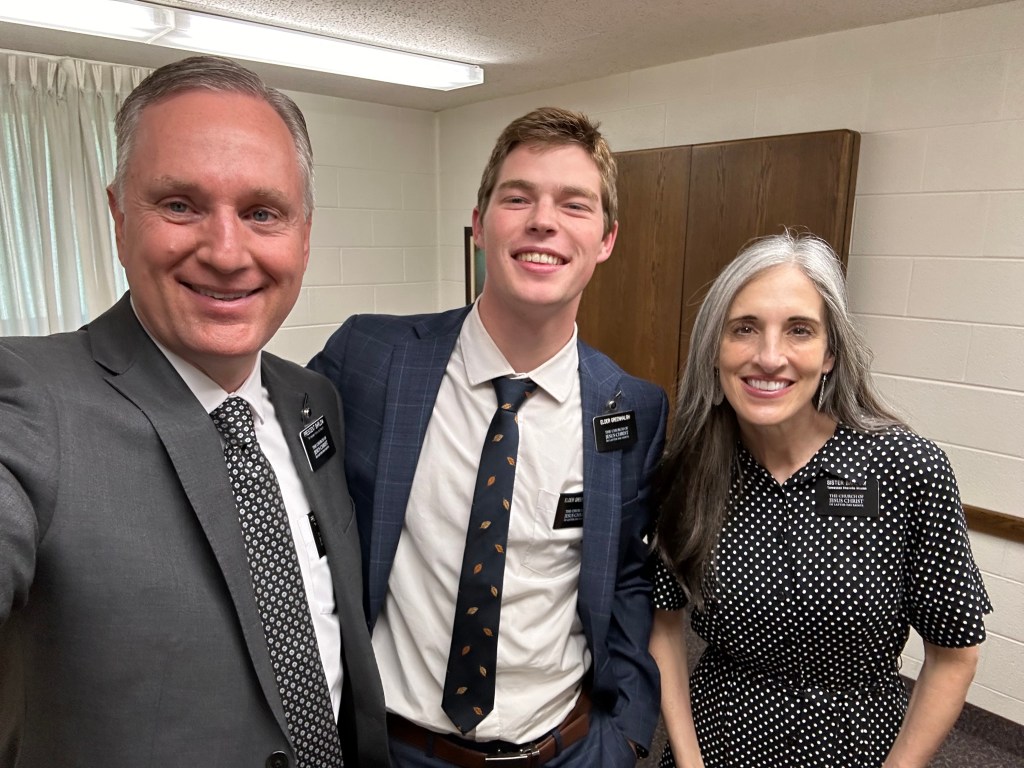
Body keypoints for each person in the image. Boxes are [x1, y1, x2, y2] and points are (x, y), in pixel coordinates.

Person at [0, 56, 388, 767]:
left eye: (262, 213)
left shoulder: (313, 400)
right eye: (180, 205)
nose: (227, 253)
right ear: (119, 217)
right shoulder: (28, 401)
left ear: (304, 235)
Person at [309, 107, 668, 767]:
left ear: (607, 239)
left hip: (568, 750)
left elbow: (626, 576)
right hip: (396, 748)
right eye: (518, 197)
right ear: (479, 224)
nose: (543, 221)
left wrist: (626, 735)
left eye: (574, 204)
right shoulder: (370, 361)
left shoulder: (632, 409)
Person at [650, 230, 992, 768]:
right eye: (744, 328)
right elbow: (664, 623)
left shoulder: (907, 469)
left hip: (855, 748)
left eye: (800, 330)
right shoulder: (691, 472)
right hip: (716, 743)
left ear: (830, 353)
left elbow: (954, 656)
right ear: (715, 348)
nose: (769, 356)